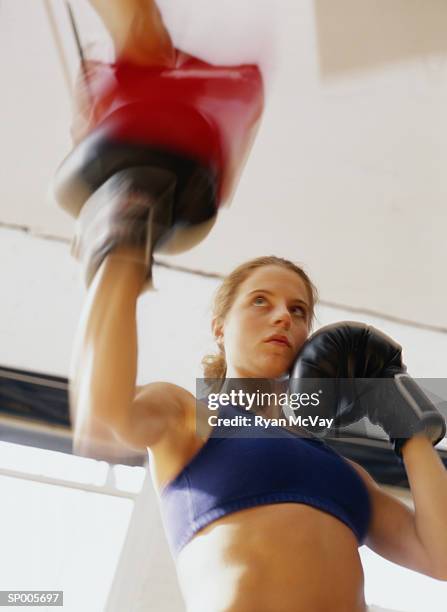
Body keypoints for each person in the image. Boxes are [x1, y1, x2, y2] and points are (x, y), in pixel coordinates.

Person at [68, 2, 447, 611]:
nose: (284, 318)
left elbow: (441, 556)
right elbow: (102, 419)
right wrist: (119, 256)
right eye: (262, 302)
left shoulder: (345, 473)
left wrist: (410, 423)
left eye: (299, 312)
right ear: (220, 328)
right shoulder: (188, 417)